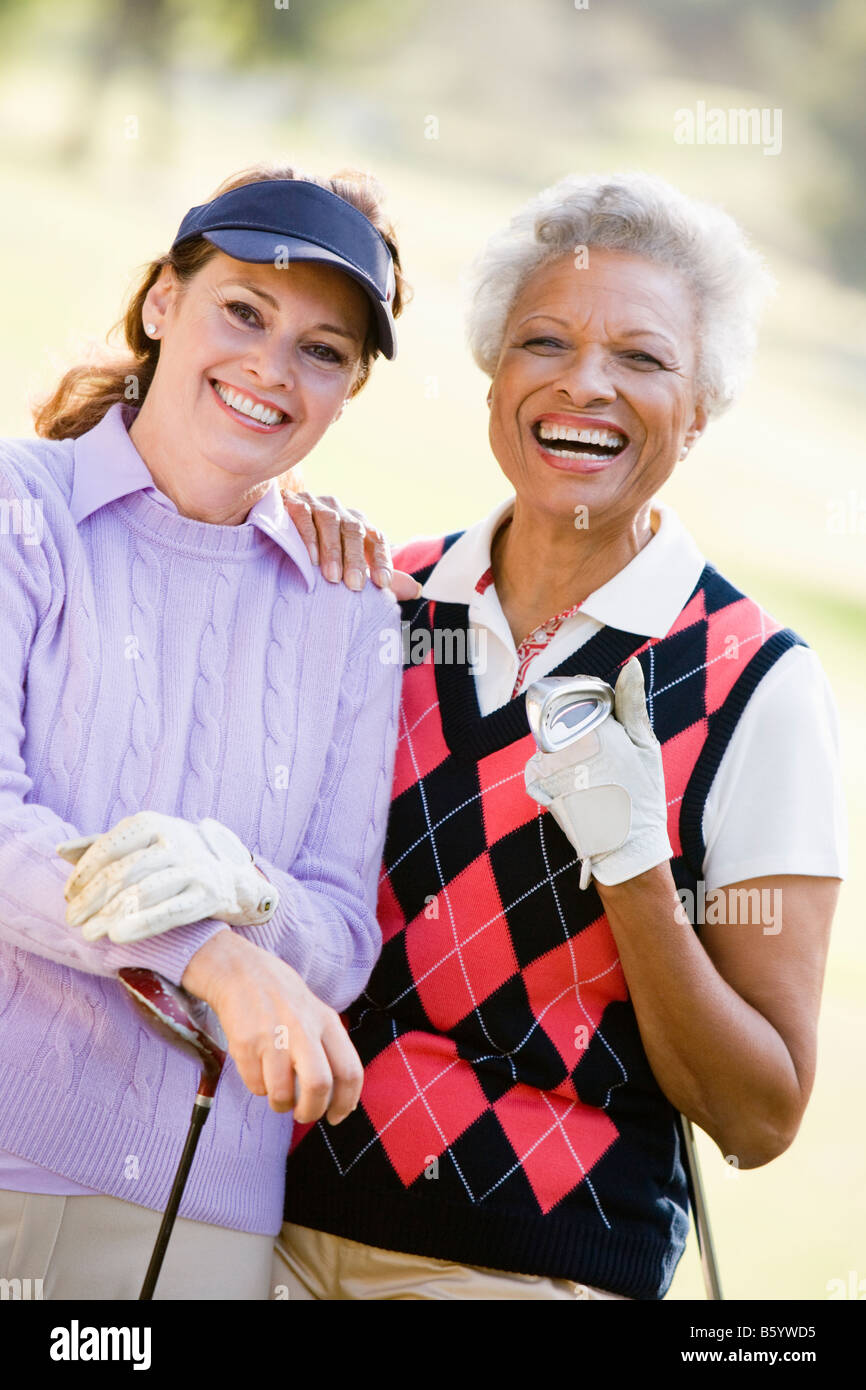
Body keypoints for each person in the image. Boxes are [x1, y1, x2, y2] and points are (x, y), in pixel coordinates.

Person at [272, 172, 847, 1300]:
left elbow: (759, 1111)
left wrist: (634, 873)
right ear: (494, 374)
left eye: (642, 358)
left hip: (529, 1269)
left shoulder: (753, 686)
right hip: (271, 1224)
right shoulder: (381, 602)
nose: (585, 383)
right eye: (544, 340)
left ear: (702, 404)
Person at [0, 162, 406, 1299]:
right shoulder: (19, 512)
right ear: (161, 303)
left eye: (322, 350)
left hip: (207, 1216)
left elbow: (337, 931)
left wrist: (246, 891)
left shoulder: (349, 600)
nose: (272, 369)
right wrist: (211, 953)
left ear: (346, 390)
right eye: (244, 310)